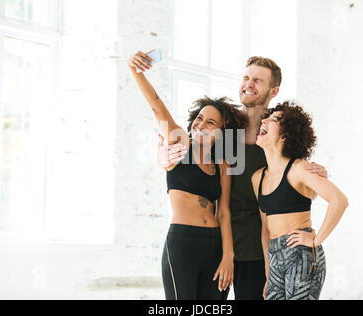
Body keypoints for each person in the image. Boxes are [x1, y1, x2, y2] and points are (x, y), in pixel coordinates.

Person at [158, 56, 328, 300]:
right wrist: (163, 156)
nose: (249, 84)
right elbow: (189, 152)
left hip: (258, 253)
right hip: (216, 247)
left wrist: (318, 178)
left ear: (274, 90)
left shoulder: (277, 134)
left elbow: (298, 187)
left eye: (257, 80)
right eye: (246, 77)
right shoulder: (226, 130)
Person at [128, 50, 248, 300]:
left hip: (215, 245)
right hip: (183, 243)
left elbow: (223, 212)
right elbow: (157, 106)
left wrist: (228, 256)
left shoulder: (223, 164)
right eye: (199, 118)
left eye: (211, 123)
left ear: (222, 133)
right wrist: (135, 70)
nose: (201, 125)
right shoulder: (179, 143)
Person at [251, 101, 348, 300]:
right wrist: (269, 273)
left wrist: (316, 239)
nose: (265, 120)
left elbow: (339, 200)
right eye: (267, 117)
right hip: (275, 258)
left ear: (285, 134)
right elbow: (265, 229)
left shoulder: (300, 169)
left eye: (274, 119)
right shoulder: (257, 178)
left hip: (301, 254)